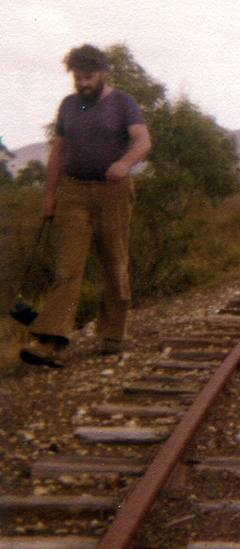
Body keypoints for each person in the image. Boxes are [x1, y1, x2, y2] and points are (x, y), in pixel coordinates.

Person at [21, 45, 152, 369]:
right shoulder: (68, 105)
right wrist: (49, 195)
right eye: (78, 78)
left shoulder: (123, 103)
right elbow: (59, 151)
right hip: (74, 192)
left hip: (113, 192)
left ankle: (112, 335)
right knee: (67, 269)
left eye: (89, 77)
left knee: (114, 263)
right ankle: (51, 341)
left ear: (103, 72)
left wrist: (125, 162)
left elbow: (143, 140)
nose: (83, 83)